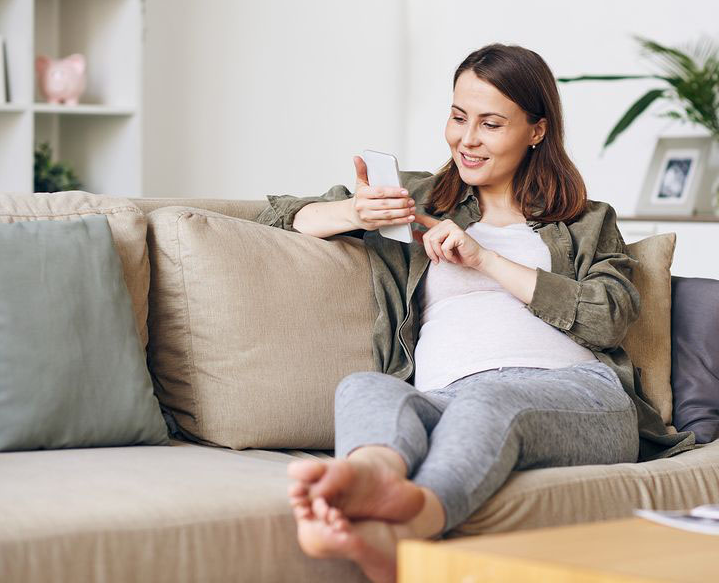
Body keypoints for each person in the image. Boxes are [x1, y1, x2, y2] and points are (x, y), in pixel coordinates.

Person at [256, 43, 693, 583]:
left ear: (536, 130)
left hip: (581, 395)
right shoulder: (418, 200)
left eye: (490, 124)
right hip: (447, 398)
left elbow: (608, 316)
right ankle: (368, 477)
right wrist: (354, 212)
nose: (467, 139)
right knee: (364, 388)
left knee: (492, 399)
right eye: (459, 117)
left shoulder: (585, 220)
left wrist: (486, 259)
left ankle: (407, 527)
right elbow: (275, 219)